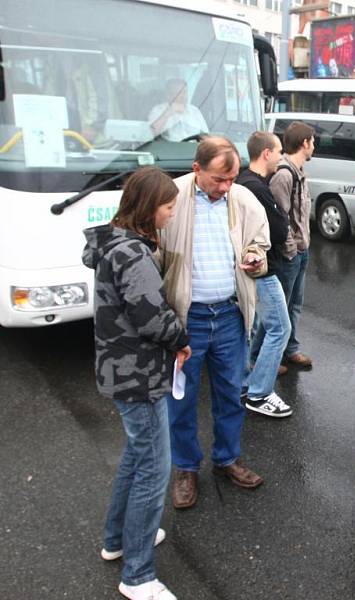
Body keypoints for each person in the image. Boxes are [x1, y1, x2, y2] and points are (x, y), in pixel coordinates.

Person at [82, 167, 191, 600]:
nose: (170, 215)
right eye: (167, 207)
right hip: (138, 374)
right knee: (153, 469)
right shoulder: (134, 254)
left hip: (121, 368)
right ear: (148, 208)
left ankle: (117, 540)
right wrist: (181, 339)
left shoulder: (115, 242)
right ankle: (139, 574)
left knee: (136, 456)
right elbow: (150, 316)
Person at [160, 137, 269, 509]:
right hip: (185, 318)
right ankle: (186, 468)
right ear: (196, 170)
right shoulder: (171, 198)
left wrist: (255, 257)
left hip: (228, 315)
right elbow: (154, 255)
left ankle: (227, 459)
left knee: (229, 394)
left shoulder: (242, 198)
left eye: (232, 179)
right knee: (182, 399)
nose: (226, 188)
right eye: (219, 180)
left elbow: (260, 244)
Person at [237, 131, 293, 418]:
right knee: (280, 329)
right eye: (279, 151)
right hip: (262, 270)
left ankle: (249, 384)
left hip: (259, 267)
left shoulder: (249, 183)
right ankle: (259, 394)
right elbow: (279, 230)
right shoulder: (254, 187)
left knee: (263, 327)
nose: (282, 157)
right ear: (266, 153)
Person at [269, 121, 315, 370]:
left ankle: (291, 349)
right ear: (304, 143)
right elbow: (280, 217)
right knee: (280, 308)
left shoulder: (298, 171)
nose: (314, 145)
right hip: (291, 254)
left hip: (301, 249)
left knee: (294, 304)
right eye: (312, 141)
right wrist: (291, 249)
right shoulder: (284, 175)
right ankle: (269, 358)